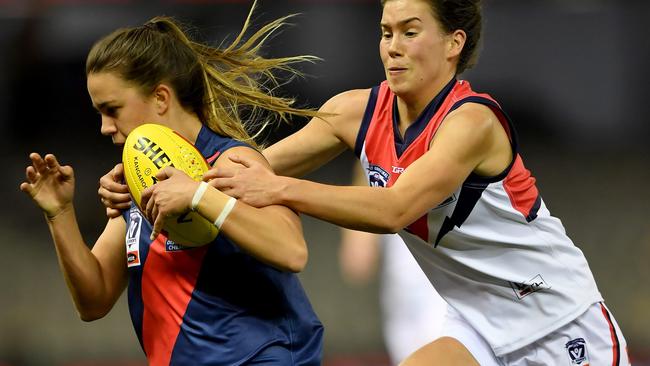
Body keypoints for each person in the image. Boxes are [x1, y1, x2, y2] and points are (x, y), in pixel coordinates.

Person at [98, 0, 631, 365]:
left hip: (558, 320)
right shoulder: (356, 112)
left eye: (410, 31)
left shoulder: (471, 123)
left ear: (453, 43)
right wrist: (149, 180)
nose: (392, 46)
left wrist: (278, 190)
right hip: (476, 322)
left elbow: (394, 208)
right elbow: (236, 169)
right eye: (385, 32)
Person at [20, 7, 324, 366]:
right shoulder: (137, 179)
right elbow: (94, 301)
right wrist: (60, 213)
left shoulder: (233, 163)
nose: (104, 127)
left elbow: (292, 251)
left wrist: (199, 196)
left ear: (161, 98)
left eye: (112, 109)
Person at [338, 164, 447, 365]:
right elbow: (369, 166)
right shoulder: (383, 143)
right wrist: (359, 237)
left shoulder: (445, 142)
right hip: (401, 289)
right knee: (406, 350)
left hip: (443, 285)